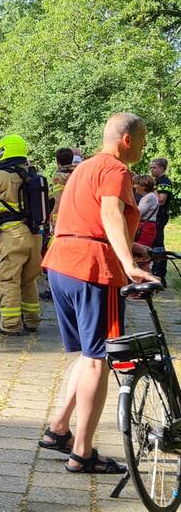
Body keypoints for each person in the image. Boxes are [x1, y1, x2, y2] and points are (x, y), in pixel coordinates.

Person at [40, 113, 158, 474]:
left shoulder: (84, 168)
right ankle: (82, 453)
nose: (143, 147)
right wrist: (128, 263)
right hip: (92, 270)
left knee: (87, 355)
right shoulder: (117, 170)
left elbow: (82, 219)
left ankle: (58, 429)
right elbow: (110, 213)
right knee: (98, 360)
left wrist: (131, 246)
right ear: (127, 140)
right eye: (142, 140)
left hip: (61, 263)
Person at [0, 135, 44, 335]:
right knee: (28, 280)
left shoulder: (2, 175)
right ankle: (32, 321)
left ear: (4, 151)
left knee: (8, 280)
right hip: (35, 235)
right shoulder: (32, 174)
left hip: (13, 235)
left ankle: (11, 325)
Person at [149, 157, 173, 281]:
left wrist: (152, 189)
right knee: (154, 243)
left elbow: (161, 200)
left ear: (162, 168)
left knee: (158, 244)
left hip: (160, 216)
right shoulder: (158, 180)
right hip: (156, 216)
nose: (151, 170)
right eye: (151, 168)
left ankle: (159, 273)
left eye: (154, 168)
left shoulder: (164, 182)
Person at [49, 147, 76, 228]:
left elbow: (59, 199)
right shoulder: (77, 172)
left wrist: (53, 214)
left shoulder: (58, 176)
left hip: (62, 216)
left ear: (58, 162)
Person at [134, 174, 159, 251]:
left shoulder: (149, 197)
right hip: (145, 226)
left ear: (144, 186)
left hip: (146, 228)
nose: (134, 186)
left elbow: (138, 213)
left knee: (142, 252)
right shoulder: (147, 196)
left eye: (136, 184)